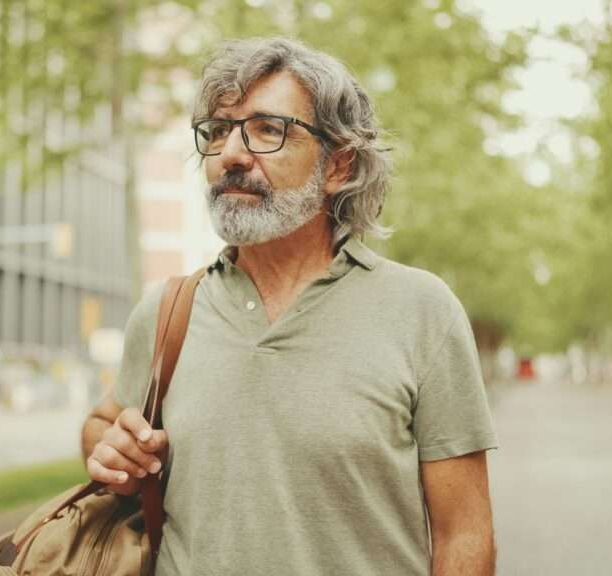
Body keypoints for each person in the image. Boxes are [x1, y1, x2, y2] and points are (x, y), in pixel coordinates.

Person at [81, 37, 498, 576]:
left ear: (339, 166)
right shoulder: (166, 313)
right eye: (216, 132)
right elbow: (103, 424)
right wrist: (112, 454)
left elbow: (464, 534)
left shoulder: (422, 312)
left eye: (267, 130)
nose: (231, 154)